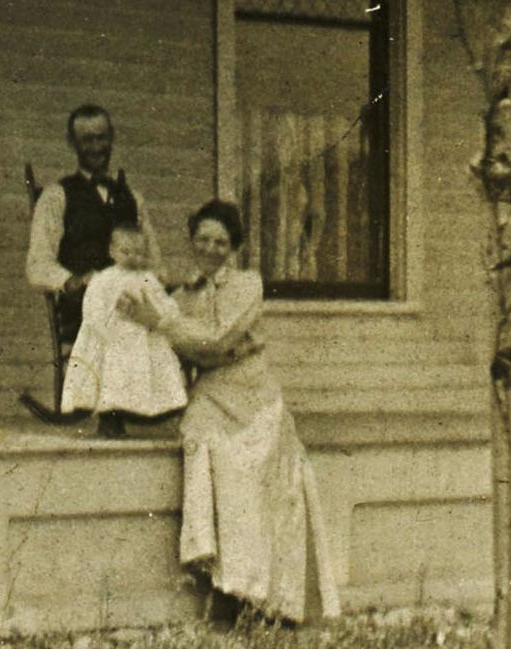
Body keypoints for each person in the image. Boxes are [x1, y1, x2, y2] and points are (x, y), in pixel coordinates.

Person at [118, 200, 340, 624]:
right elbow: (181, 350)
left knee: (256, 484)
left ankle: (267, 598)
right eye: (203, 239)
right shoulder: (180, 295)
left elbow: (218, 340)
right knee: (201, 446)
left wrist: (163, 324)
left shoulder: (247, 286)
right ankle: (223, 586)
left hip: (254, 392)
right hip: (211, 392)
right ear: (192, 241)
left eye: (221, 241)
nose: (211, 248)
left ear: (233, 247)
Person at [23, 104, 158, 422]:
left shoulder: (131, 198)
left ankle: (159, 405)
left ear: (112, 138)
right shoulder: (58, 197)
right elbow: (38, 265)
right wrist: (75, 281)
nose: (96, 147)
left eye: (102, 138)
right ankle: (111, 412)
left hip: (132, 303)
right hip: (84, 308)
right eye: (87, 140)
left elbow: (154, 259)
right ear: (73, 144)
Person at [59, 223, 186, 438]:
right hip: (112, 338)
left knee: (154, 373)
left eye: (138, 253)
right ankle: (110, 420)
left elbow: (161, 301)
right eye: (126, 252)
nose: (132, 258)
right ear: (112, 251)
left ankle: (154, 412)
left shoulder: (146, 277)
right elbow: (93, 309)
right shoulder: (103, 279)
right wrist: (105, 333)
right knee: (111, 378)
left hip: (142, 338)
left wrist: (167, 313)